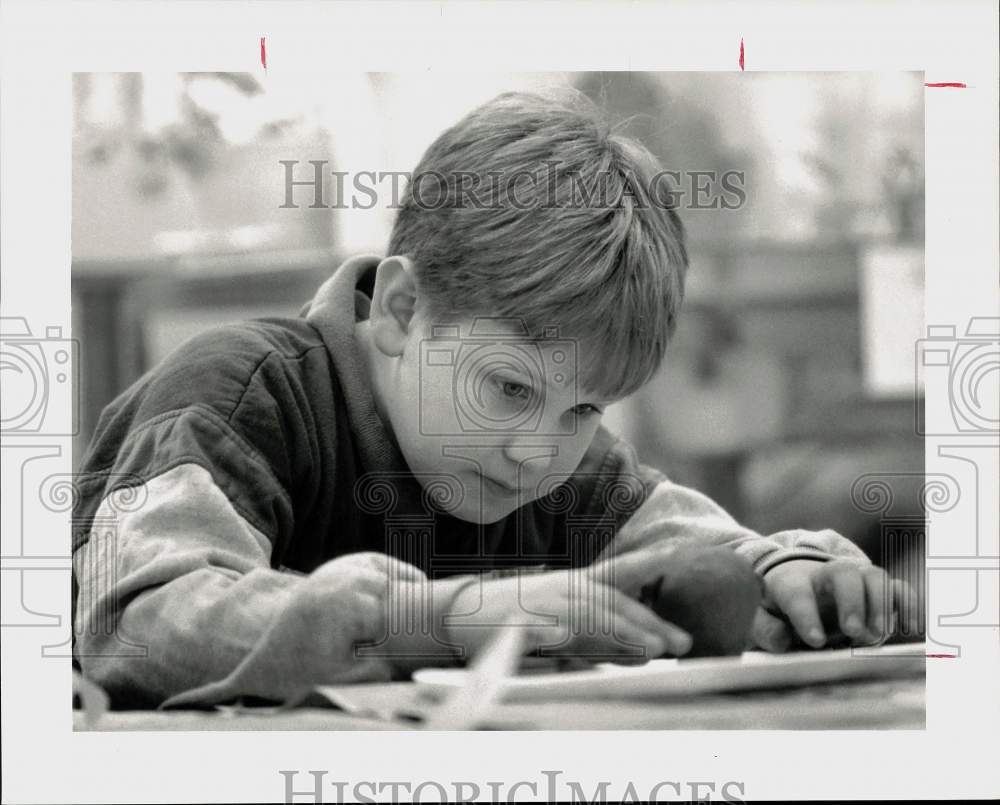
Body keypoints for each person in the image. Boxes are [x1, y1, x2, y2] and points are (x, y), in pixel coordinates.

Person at [72, 90, 914, 709]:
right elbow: (140, 621)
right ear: (402, 309)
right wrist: (447, 618)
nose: (536, 452)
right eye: (509, 388)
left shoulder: (564, 465)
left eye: (585, 409)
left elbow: (707, 556)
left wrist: (795, 579)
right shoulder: (233, 397)